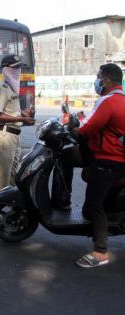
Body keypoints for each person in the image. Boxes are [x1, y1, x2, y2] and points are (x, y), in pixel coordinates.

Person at [75, 63, 125, 268]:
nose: (96, 81)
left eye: (98, 77)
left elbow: (88, 129)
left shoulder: (108, 101)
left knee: (94, 204)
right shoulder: (122, 100)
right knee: (95, 204)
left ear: (105, 80)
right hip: (118, 161)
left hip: (107, 160)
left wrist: (75, 129)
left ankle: (100, 251)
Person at [0, 55, 35, 194]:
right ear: (5, 69)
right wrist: (21, 119)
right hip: (5, 136)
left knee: (12, 177)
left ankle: (9, 211)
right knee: (1, 179)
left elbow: (10, 111)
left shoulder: (11, 86)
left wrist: (23, 114)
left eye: (19, 67)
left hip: (14, 136)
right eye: (14, 68)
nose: (17, 71)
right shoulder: (2, 87)